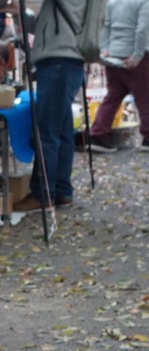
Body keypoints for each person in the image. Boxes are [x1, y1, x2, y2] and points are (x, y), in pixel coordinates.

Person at [14, 0, 104, 210]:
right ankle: (62, 190)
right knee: (61, 130)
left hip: (59, 58)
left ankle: (43, 193)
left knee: (47, 132)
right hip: (67, 58)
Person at [89, 0, 149, 151]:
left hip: (113, 56)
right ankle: (148, 137)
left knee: (113, 96)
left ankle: (98, 134)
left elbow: (105, 27)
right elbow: (142, 29)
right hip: (136, 57)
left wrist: (104, 50)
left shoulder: (112, 2)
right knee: (145, 98)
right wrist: (137, 55)